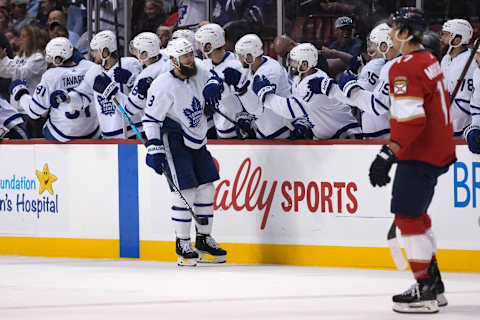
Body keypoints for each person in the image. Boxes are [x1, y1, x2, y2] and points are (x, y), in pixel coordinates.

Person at [368, 7, 455, 313]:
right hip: (437, 150)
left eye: (394, 28)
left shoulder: (403, 68)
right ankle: (434, 282)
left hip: (420, 153)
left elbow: (410, 121)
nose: (390, 33)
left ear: (406, 33)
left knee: (407, 218)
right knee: (418, 216)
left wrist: (387, 153)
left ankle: (425, 290)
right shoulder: (429, 60)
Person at [142, 38, 227, 266]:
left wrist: (213, 87)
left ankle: (204, 239)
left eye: (191, 54)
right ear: (173, 61)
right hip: (174, 137)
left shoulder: (200, 69)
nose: (190, 60)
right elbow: (150, 119)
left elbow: (214, 80)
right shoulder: (162, 85)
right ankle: (182, 242)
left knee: (207, 188)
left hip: (198, 136)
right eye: (184, 57)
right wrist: (154, 146)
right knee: (185, 191)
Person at [252, 42, 361, 139]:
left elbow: (292, 110)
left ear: (305, 64)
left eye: (294, 61)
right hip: (326, 138)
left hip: (345, 135)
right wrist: (304, 122)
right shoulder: (298, 79)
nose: (290, 64)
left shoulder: (314, 84)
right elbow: (302, 106)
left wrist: (266, 96)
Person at [55, 30, 143, 139]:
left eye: (95, 51)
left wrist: (130, 80)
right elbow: (82, 96)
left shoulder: (129, 64)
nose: (92, 54)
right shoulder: (93, 72)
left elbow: (143, 93)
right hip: (108, 136)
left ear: (105, 51)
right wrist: (67, 98)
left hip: (134, 132)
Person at [9, 37, 100, 142]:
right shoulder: (91, 67)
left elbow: (34, 111)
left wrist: (20, 93)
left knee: (42, 123)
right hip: (93, 131)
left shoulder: (51, 76)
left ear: (57, 58)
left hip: (63, 135)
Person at [224, 34, 293, 139]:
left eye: (240, 56)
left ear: (249, 57)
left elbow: (257, 109)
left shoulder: (269, 72)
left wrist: (242, 90)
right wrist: (245, 118)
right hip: (264, 132)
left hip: (282, 133)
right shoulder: (253, 67)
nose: (238, 59)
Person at [195, 23, 244, 138]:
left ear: (208, 46)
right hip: (219, 131)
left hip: (239, 132)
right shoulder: (205, 64)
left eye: (199, 44)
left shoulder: (236, 66)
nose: (197, 48)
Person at [120, 32, 170, 116]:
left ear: (145, 54)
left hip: (163, 119)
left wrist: (112, 93)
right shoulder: (168, 54)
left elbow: (129, 109)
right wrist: (132, 80)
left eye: (137, 50)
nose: (135, 52)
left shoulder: (145, 76)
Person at [440, 19, 476, 138]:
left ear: (457, 39)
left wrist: (454, 130)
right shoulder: (446, 59)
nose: (441, 39)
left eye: (445, 35)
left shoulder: (470, 62)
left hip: (461, 132)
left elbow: (465, 103)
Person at [464, 47, 480, 154]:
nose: (475, 57)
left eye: (478, 54)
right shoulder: (477, 73)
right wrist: (474, 129)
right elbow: (476, 106)